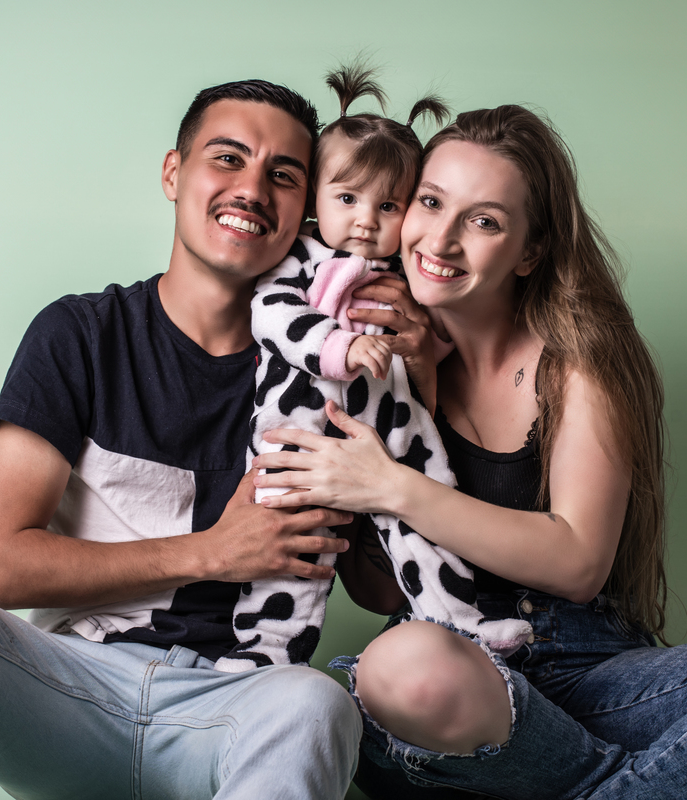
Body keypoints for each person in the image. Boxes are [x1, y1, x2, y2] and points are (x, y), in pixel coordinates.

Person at [251, 105, 687, 799]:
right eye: (430, 203)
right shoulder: (363, 348)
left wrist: (392, 486)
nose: (442, 238)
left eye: (484, 221)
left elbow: (579, 564)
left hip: (590, 672)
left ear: (529, 251)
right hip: (445, 688)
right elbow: (379, 592)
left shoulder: (581, 361)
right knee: (400, 665)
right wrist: (415, 396)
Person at [0, 79, 369, 800]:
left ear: (309, 211)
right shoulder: (79, 334)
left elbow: (383, 589)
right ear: (174, 173)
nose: (252, 189)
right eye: (228, 158)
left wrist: (415, 377)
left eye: (284, 175)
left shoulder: (333, 373)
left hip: (233, 702)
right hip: (68, 690)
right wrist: (213, 552)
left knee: (319, 703)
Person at [217, 66, 529, 674]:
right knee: (294, 546)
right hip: (302, 436)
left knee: (428, 522)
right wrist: (338, 346)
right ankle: (266, 650)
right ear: (315, 198)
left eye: (388, 205)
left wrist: (424, 355)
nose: (366, 220)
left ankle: (461, 623)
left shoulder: (407, 274)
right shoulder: (300, 258)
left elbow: (436, 341)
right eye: (347, 199)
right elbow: (272, 315)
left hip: (396, 431)